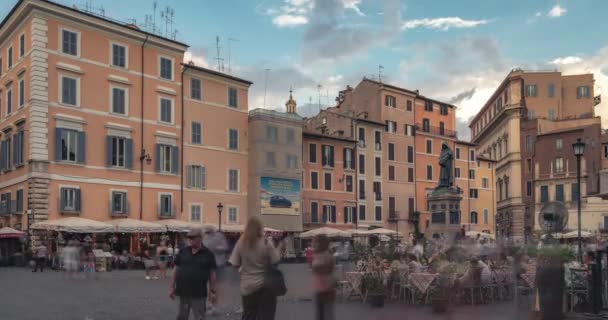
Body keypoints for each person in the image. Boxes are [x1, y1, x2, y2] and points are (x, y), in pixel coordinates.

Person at [229, 217, 282, 320]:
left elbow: (234, 263)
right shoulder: (265, 242)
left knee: (249, 315)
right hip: (266, 286)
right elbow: (275, 260)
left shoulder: (241, 242)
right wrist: (279, 248)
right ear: (259, 228)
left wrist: (244, 267)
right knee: (267, 316)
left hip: (248, 287)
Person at [170, 228, 217, 320]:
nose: (190, 239)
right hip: (183, 292)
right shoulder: (183, 251)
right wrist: (172, 287)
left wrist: (213, 291)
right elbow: (176, 269)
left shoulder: (208, 254)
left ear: (200, 238)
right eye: (188, 237)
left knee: (199, 317)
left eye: (192, 237)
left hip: (199, 293)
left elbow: (212, 274)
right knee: (182, 317)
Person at [312, 234, 335, 320]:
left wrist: (317, 268)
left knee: (325, 315)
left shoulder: (326, 255)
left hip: (326, 289)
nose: (313, 243)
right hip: (321, 288)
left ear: (321, 243)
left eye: (315, 241)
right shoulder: (319, 255)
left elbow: (326, 270)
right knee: (322, 314)